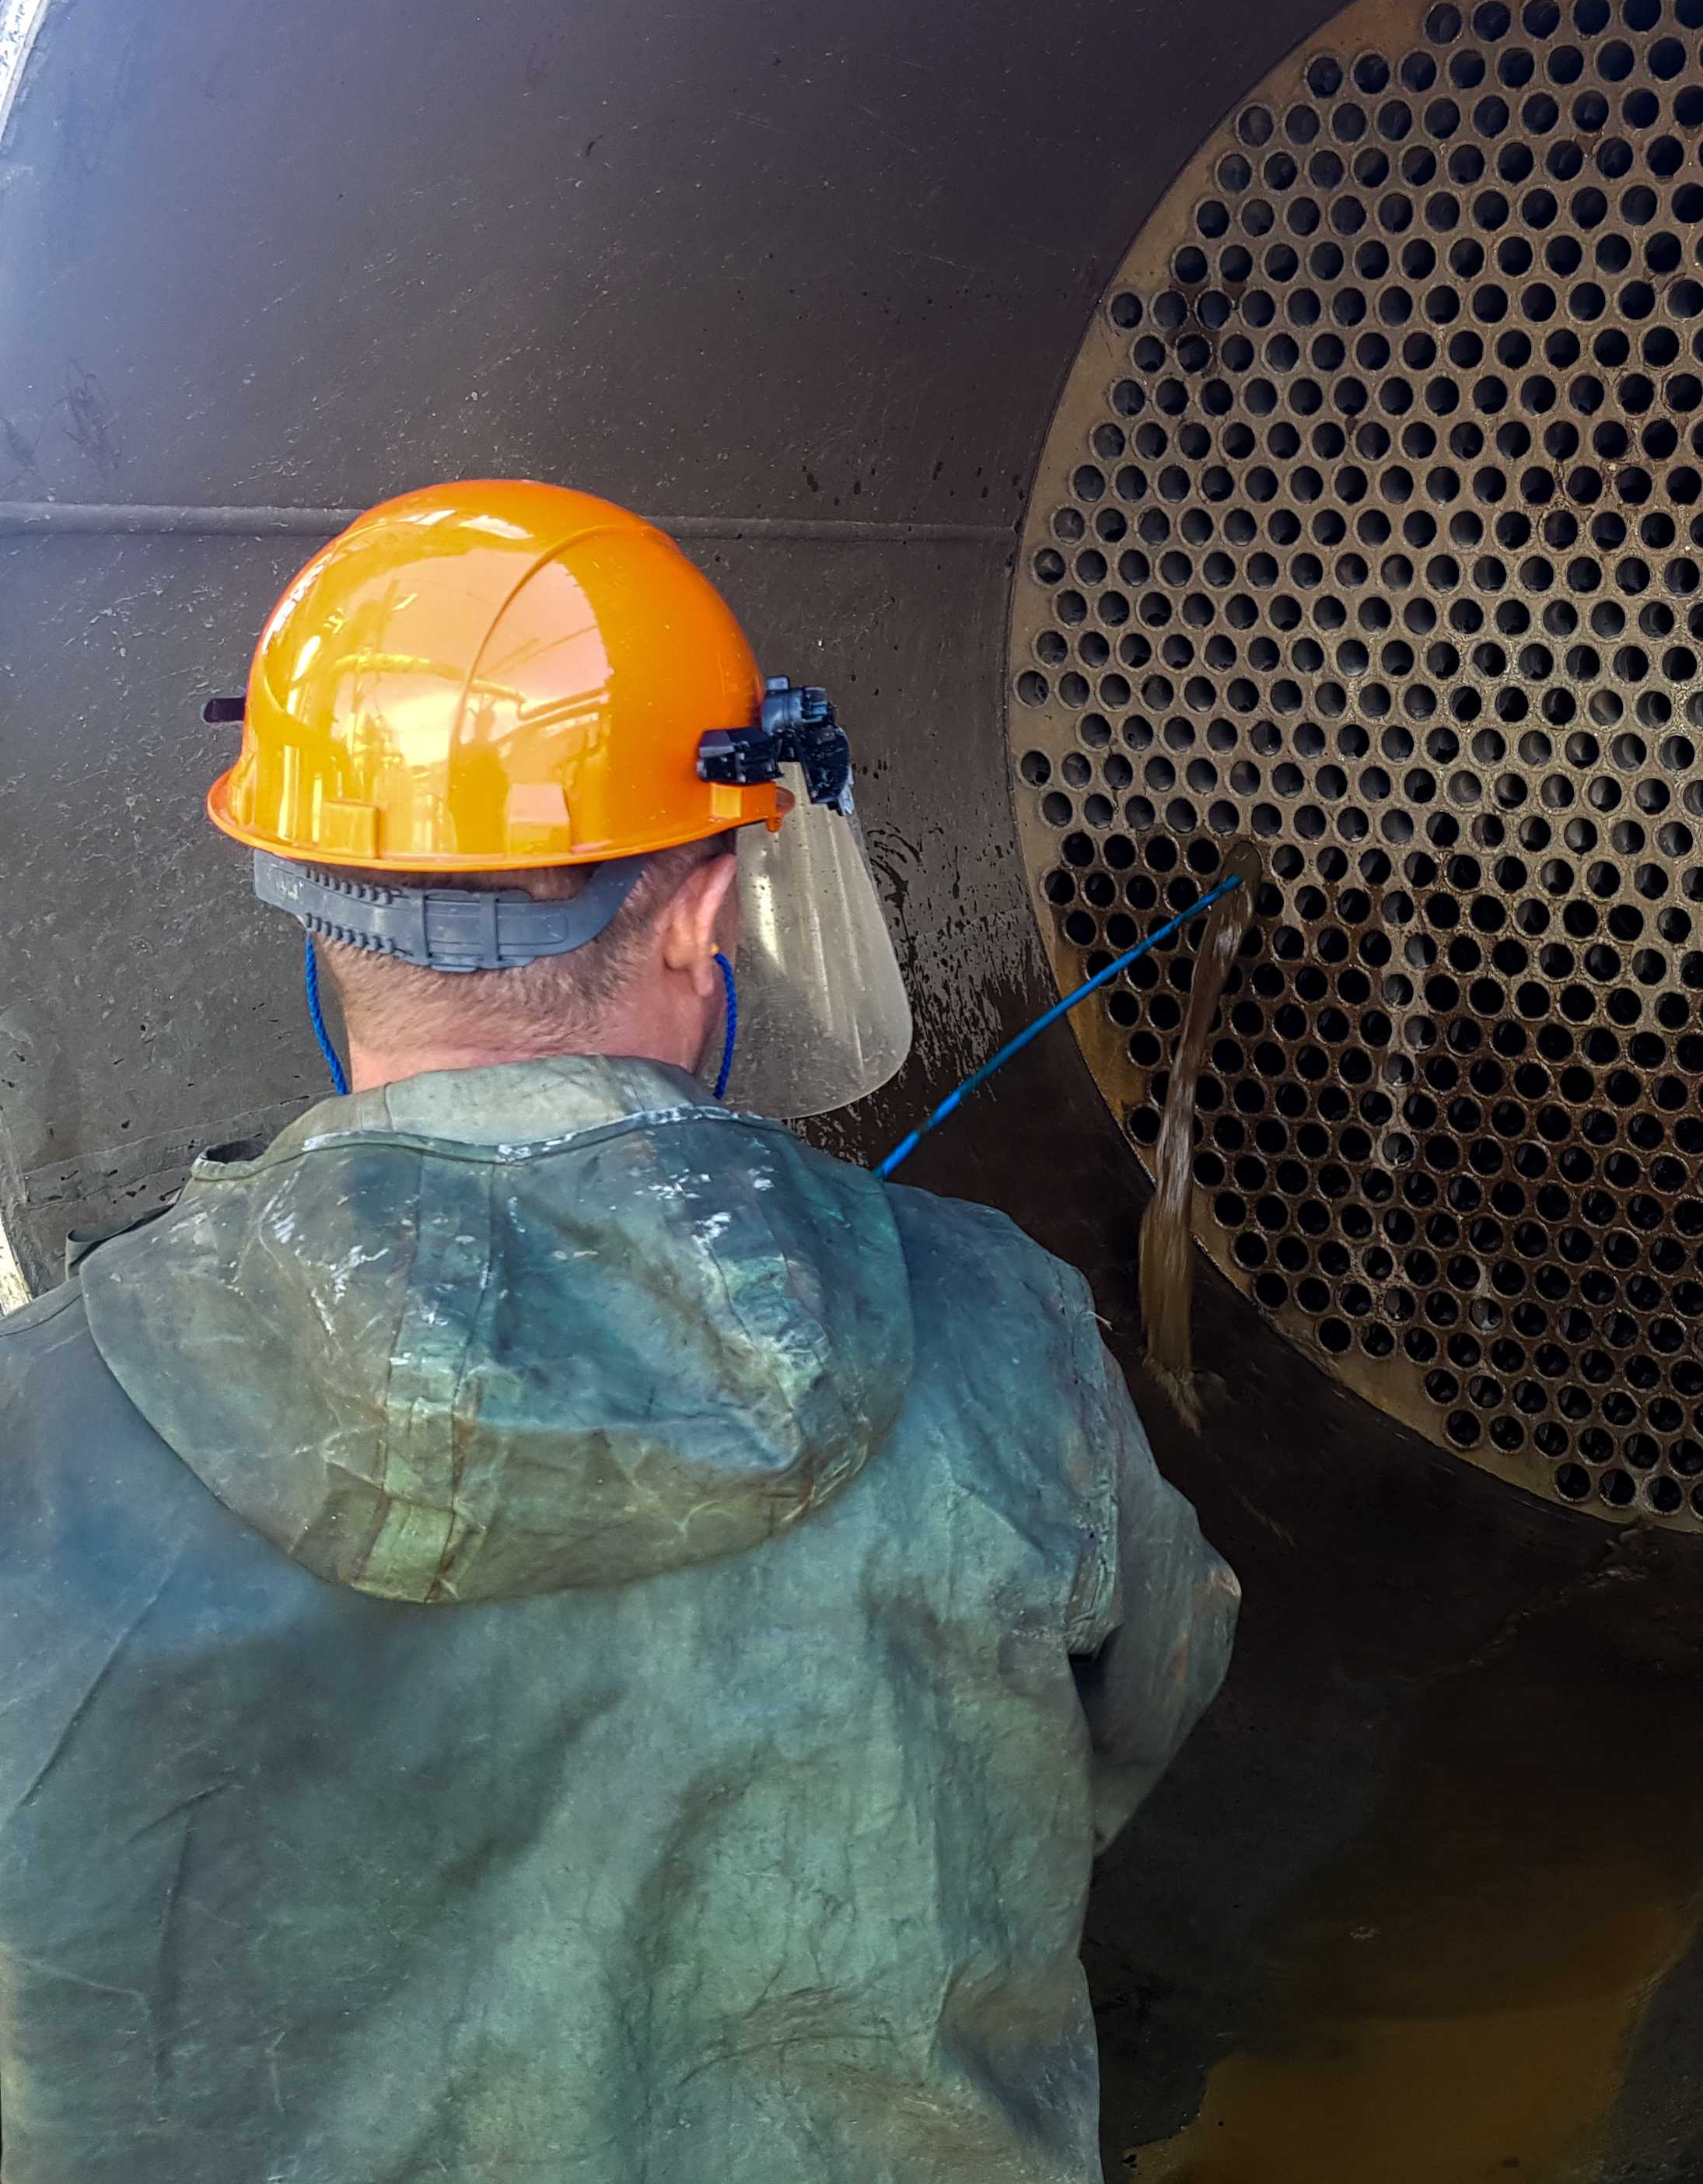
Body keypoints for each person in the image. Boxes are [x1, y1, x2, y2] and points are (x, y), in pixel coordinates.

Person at [0, 481, 1236, 2181]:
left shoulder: (39, 1427)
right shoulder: (1002, 1329)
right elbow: (1140, 1700)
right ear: (703, 906)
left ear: (308, 901)